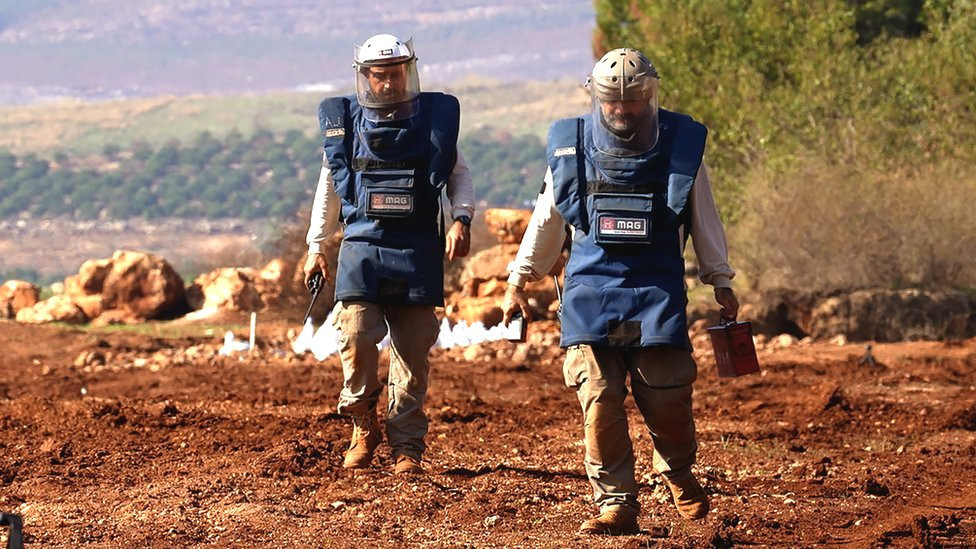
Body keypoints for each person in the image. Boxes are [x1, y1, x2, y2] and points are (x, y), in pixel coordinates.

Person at [501, 48, 739, 535]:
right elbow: (547, 220)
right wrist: (518, 280)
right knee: (600, 399)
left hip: (657, 292)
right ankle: (615, 503)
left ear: (650, 97)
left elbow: (703, 215)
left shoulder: (680, 146)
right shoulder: (570, 148)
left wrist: (720, 279)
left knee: (667, 397)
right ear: (597, 98)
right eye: (613, 100)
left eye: (633, 100)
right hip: (590, 293)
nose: (623, 109)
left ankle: (676, 471)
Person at [304, 33, 475, 475]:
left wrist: (461, 218)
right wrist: (316, 246)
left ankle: (407, 446)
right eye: (379, 75)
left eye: (395, 74)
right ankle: (363, 424)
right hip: (362, 245)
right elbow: (329, 189)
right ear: (365, 77)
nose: (388, 83)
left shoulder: (434, 122)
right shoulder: (346, 126)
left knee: (413, 351)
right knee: (355, 334)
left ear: (408, 73)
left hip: (418, 246)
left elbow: (457, 174)